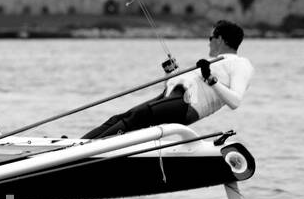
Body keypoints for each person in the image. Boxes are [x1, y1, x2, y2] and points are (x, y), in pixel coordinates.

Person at [83, 20, 254, 139]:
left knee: (136, 117)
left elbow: (235, 102)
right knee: (120, 118)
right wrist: (171, 73)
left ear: (221, 39)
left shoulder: (241, 64)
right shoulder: (210, 63)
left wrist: (211, 79)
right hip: (172, 98)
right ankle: (80, 144)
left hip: (188, 106)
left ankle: (91, 150)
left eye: (211, 38)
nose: (208, 42)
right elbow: (172, 87)